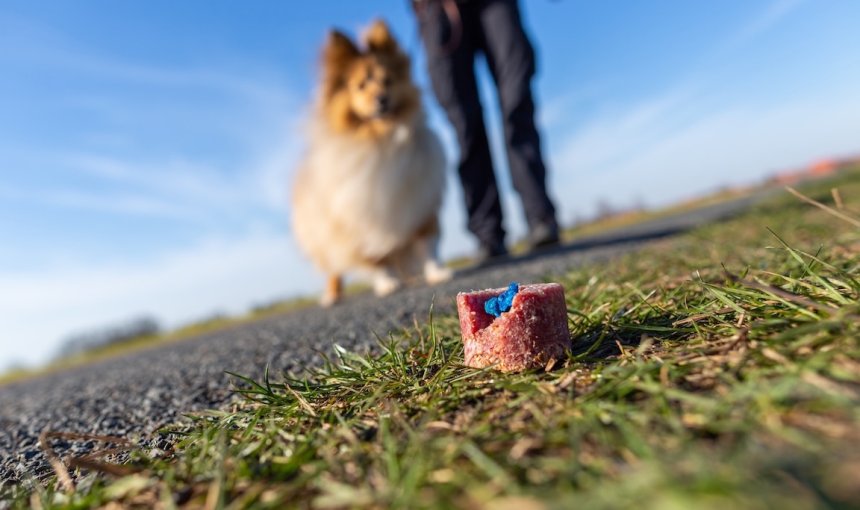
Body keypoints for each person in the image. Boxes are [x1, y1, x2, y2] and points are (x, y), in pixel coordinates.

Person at [413, 0, 560, 261]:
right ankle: (488, 234)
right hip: (437, 10)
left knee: (516, 101)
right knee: (464, 126)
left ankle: (540, 217)